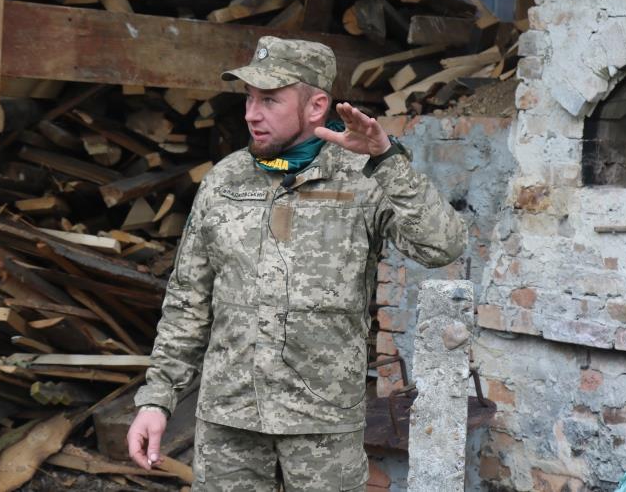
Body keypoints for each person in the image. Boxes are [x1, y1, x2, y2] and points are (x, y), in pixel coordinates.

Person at [127, 36, 466, 491]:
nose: (251, 113)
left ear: (315, 106)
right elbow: (187, 300)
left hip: (322, 424)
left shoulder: (362, 177)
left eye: (269, 99)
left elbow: (442, 246)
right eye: (249, 98)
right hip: (230, 422)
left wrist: (388, 160)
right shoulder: (224, 181)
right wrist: (157, 399)